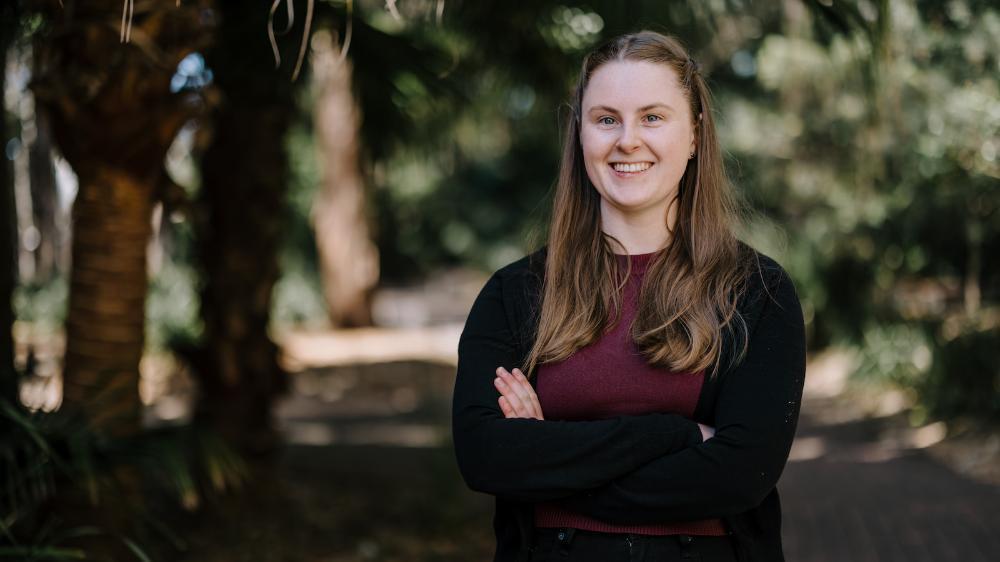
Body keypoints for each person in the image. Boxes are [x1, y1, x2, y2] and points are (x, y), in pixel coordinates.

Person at [452, 30, 805, 562]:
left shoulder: (757, 291)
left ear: (694, 135)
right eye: (606, 118)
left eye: (653, 117)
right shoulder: (516, 293)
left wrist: (549, 460)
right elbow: (486, 457)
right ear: (580, 134)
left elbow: (738, 475)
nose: (627, 141)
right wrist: (675, 436)